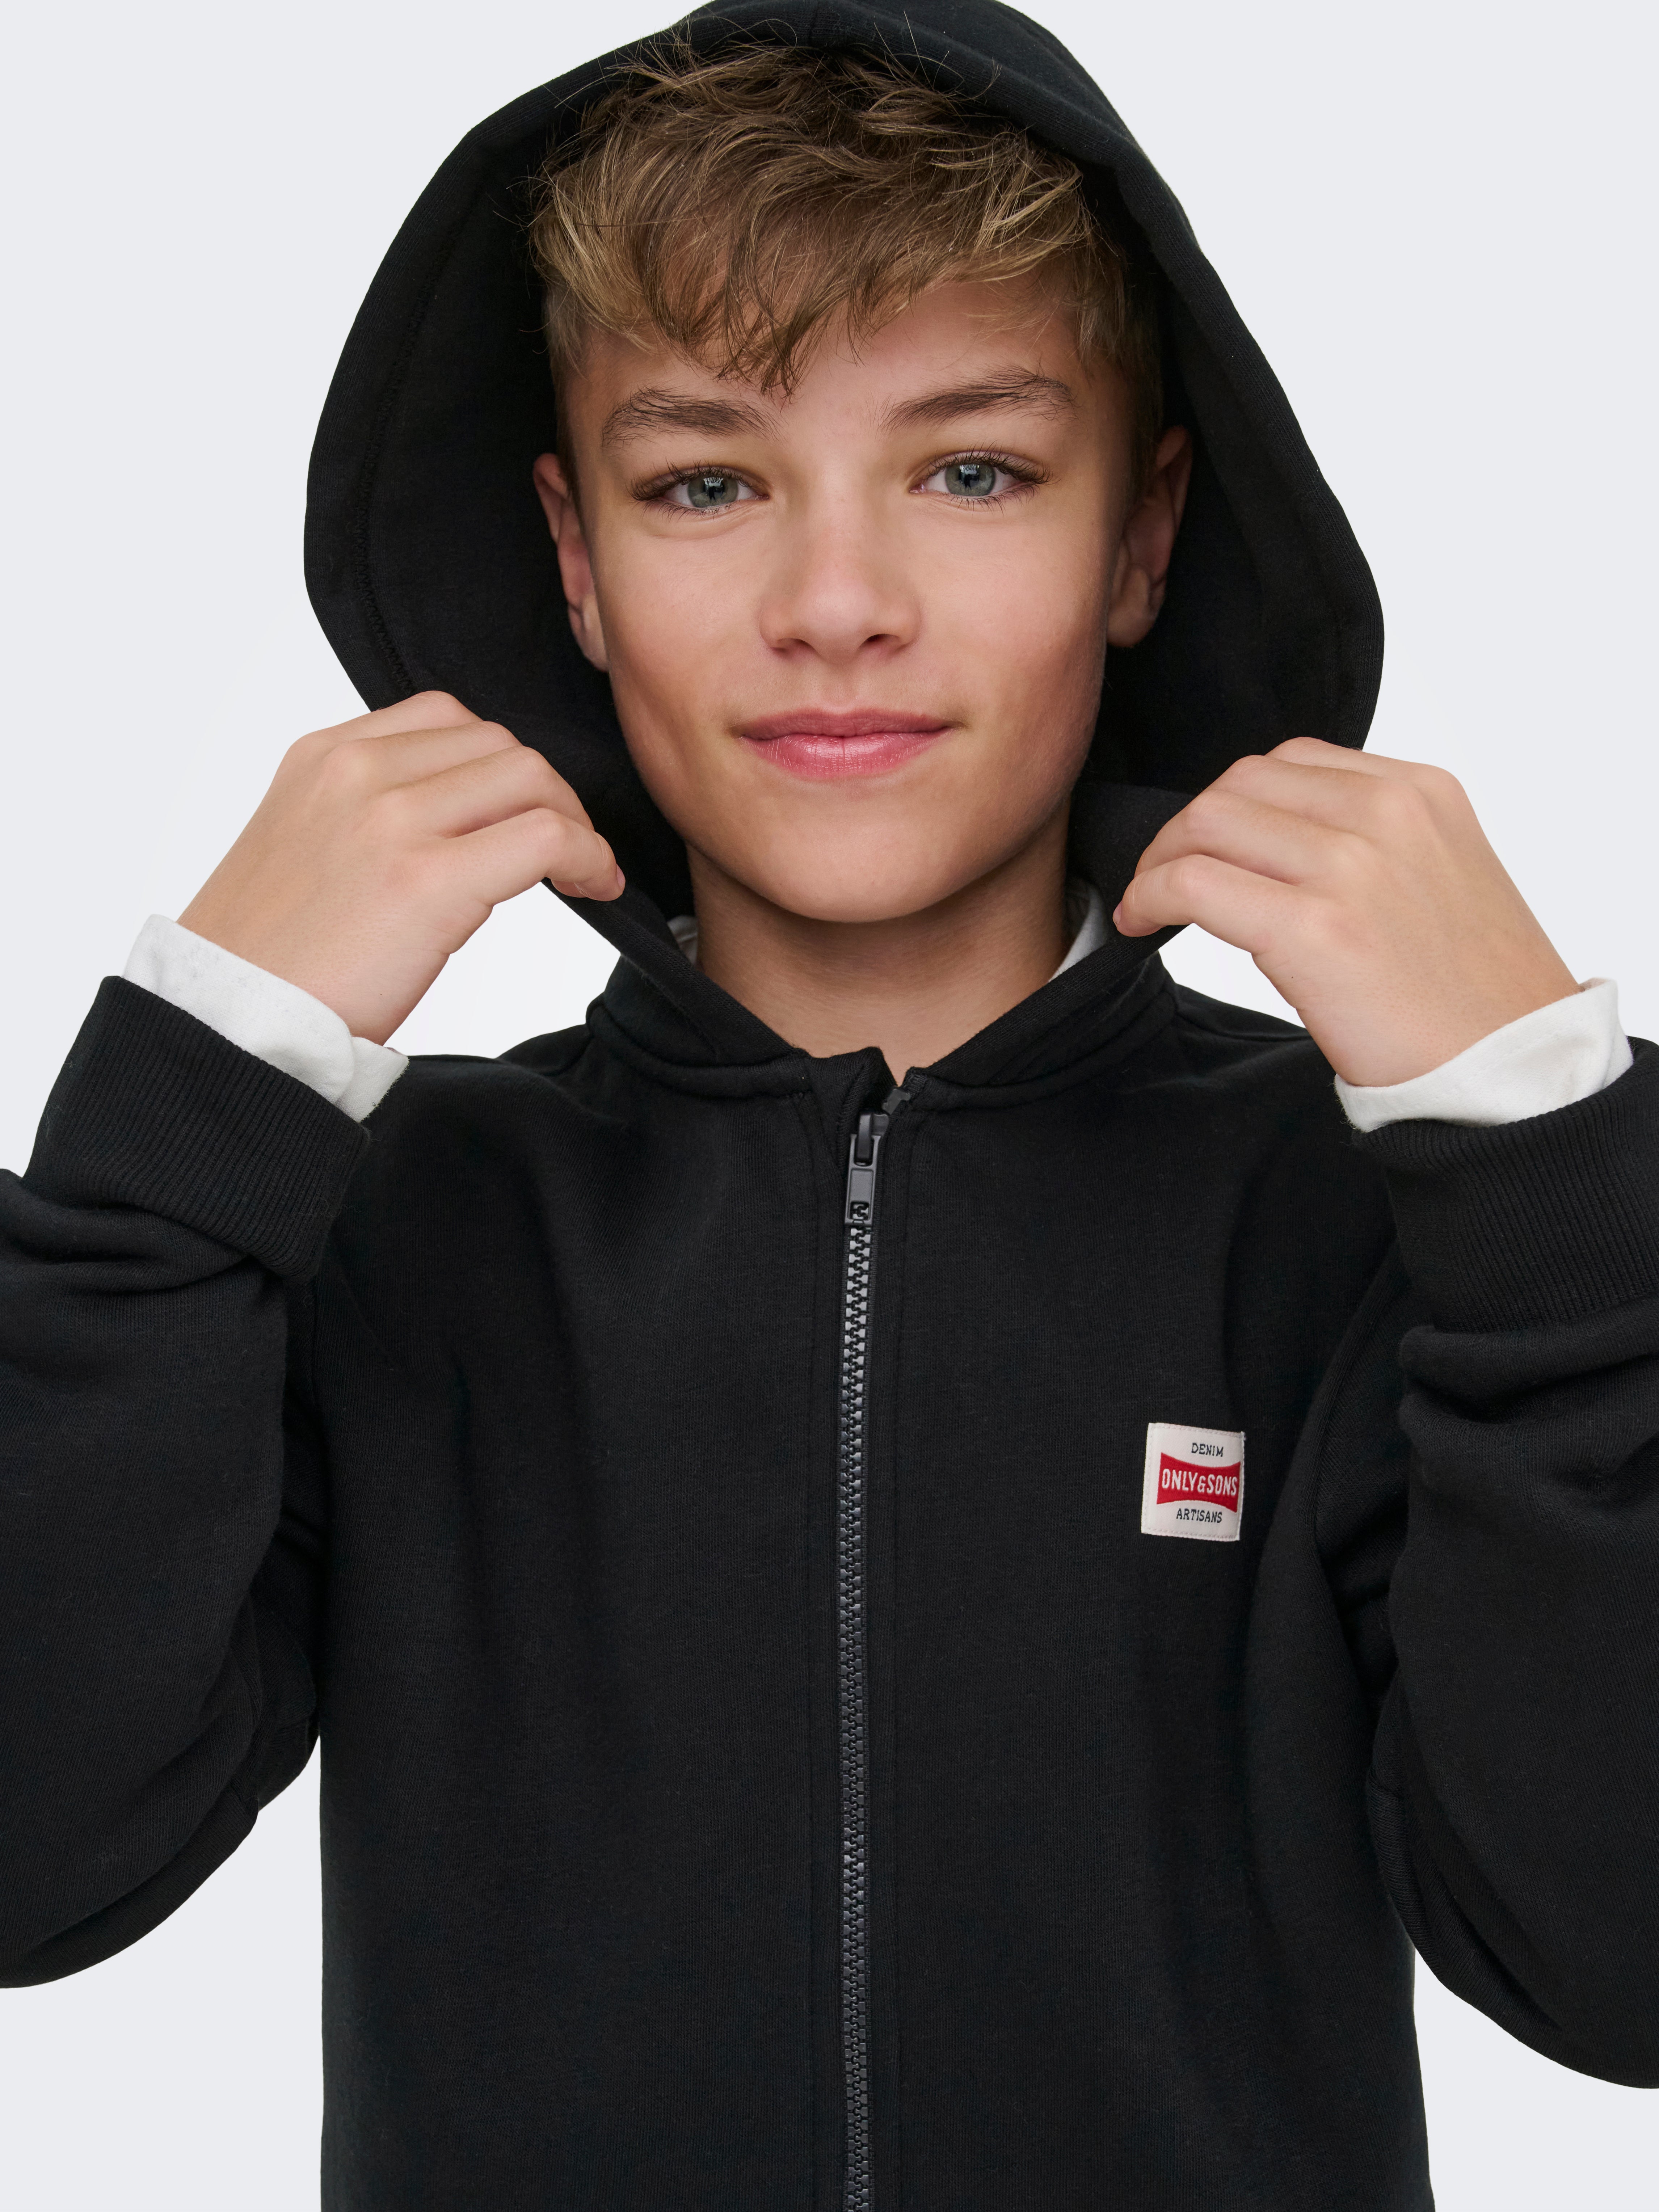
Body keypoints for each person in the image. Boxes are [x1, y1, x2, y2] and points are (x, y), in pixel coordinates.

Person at [2, 6, 1655, 2206]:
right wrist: (186, 1108)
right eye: (704, 483)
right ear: (576, 561)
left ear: (1144, 537)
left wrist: (1545, 1162)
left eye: (973, 471)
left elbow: (1622, 1972)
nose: (837, 608)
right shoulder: (386, 1216)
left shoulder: (1368, 1220)